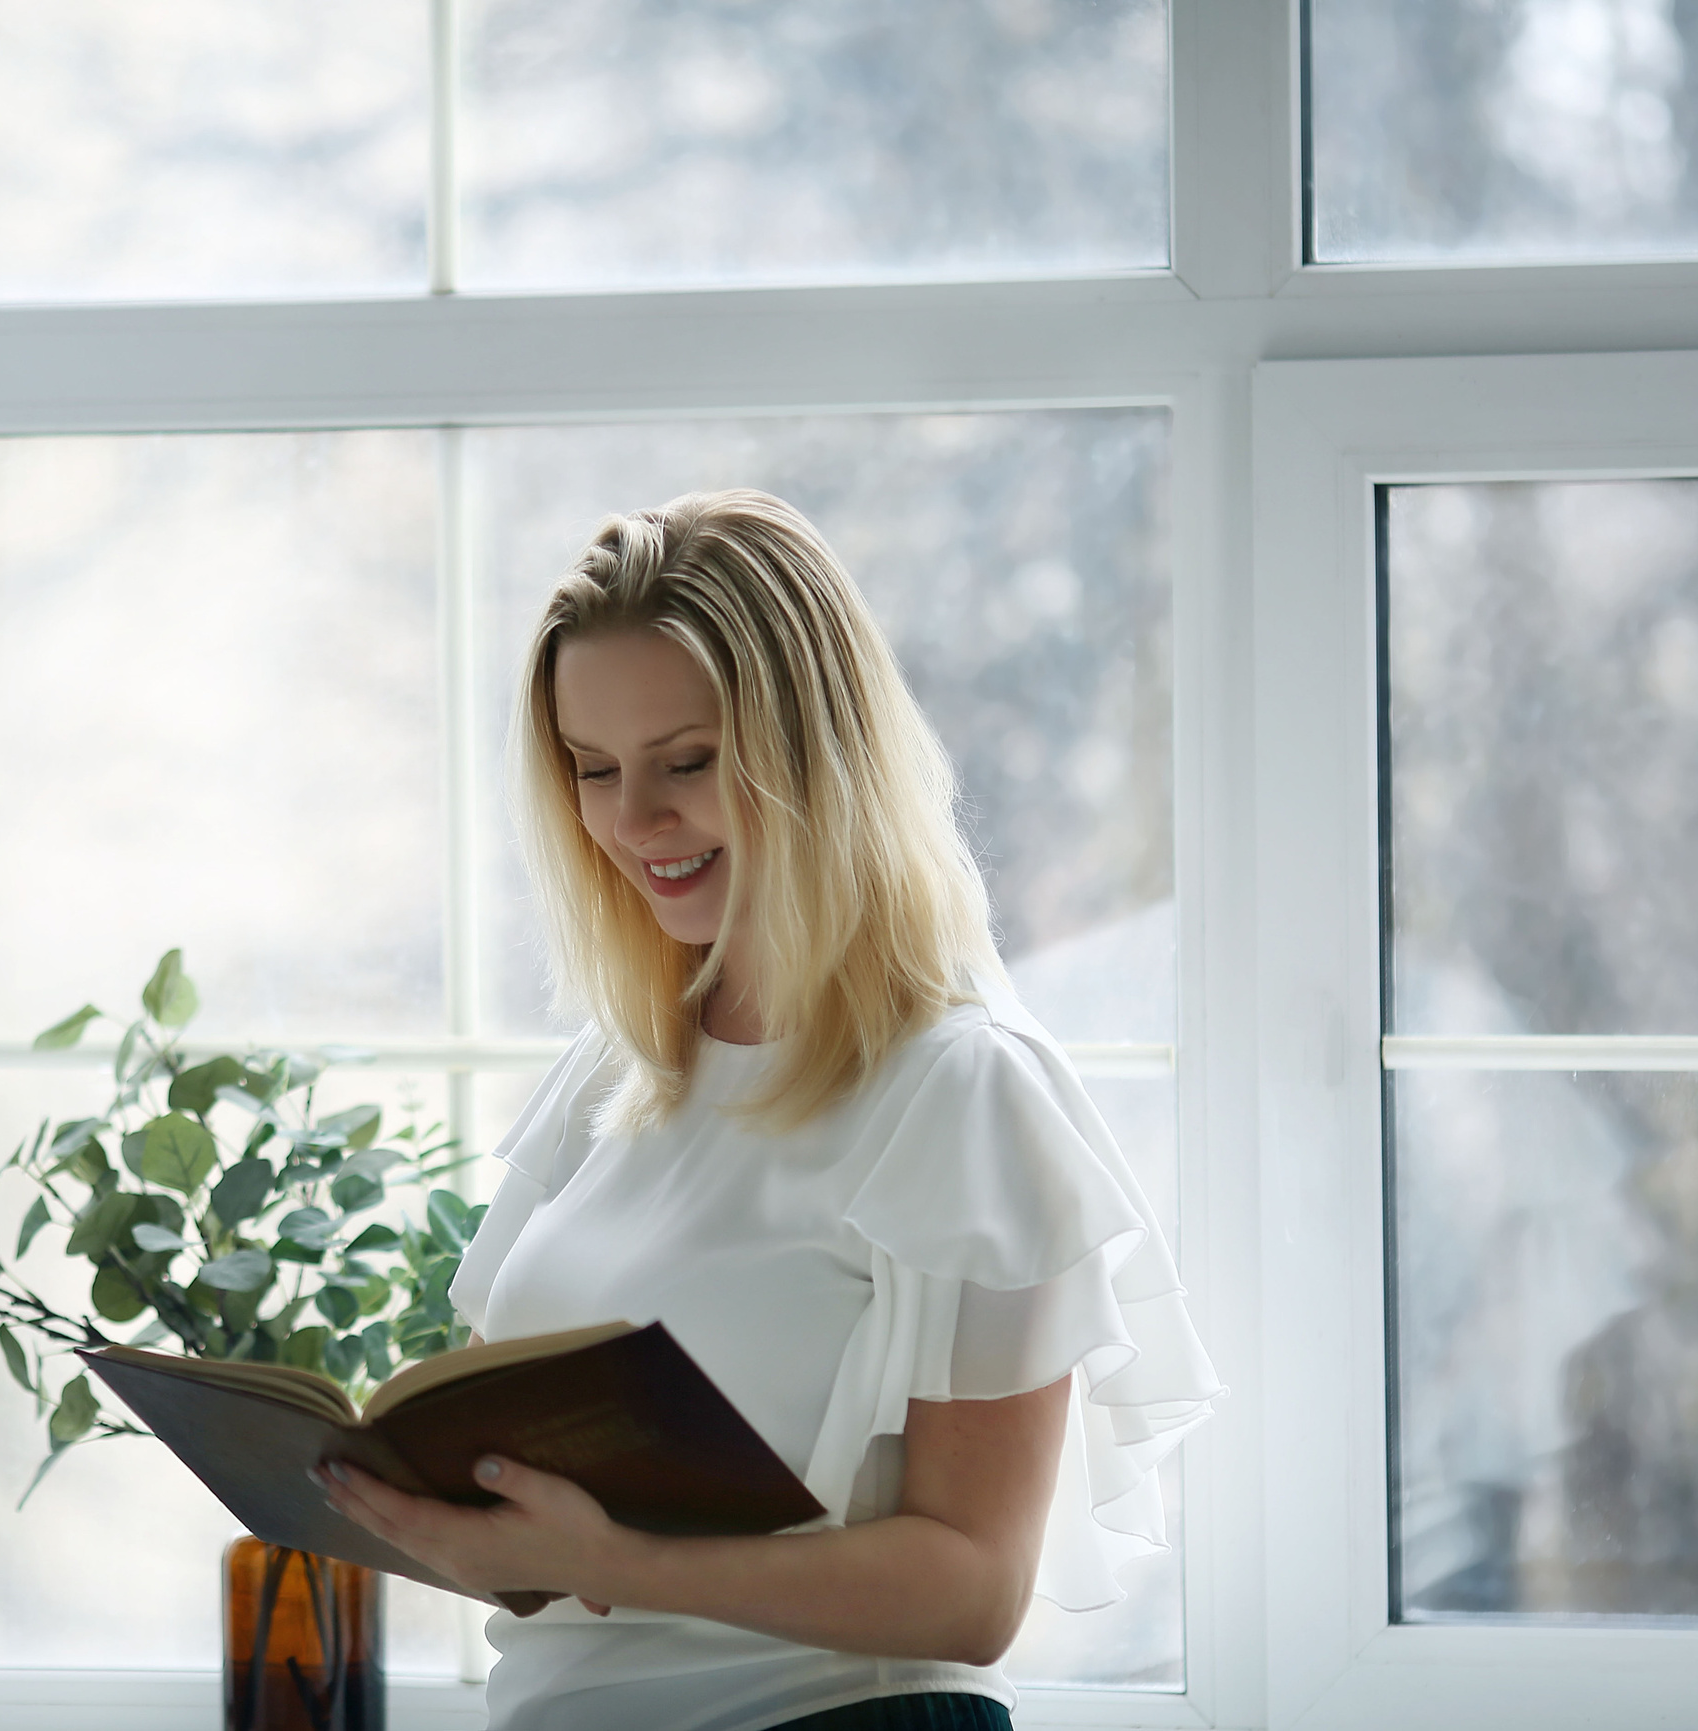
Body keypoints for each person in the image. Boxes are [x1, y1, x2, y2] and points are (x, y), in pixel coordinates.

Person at [316, 490, 1219, 1731]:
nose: (635, 823)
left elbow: (974, 1589)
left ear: (817, 757)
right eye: (594, 770)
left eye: (687, 763)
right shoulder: (619, 1072)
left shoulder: (958, 1087)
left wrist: (605, 1565)